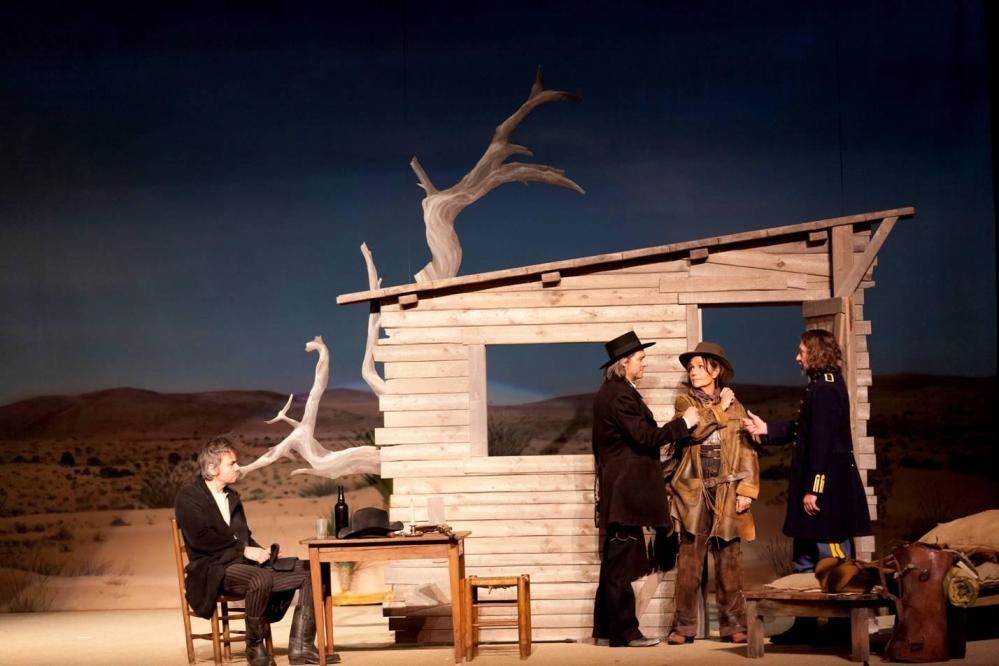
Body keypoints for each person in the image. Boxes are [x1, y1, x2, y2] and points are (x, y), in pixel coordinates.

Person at [742, 329, 873, 644]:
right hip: (813, 489)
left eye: (801, 351)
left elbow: (822, 444)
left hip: (827, 493)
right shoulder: (819, 386)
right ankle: (805, 625)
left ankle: (842, 628)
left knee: (834, 560)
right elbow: (804, 429)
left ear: (815, 353)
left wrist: (815, 489)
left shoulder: (826, 389)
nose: (797, 357)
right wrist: (767, 428)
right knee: (803, 559)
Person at [175, 436, 336, 666]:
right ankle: (254, 648)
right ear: (212, 468)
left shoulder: (231, 497)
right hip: (213, 569)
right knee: (260, 578)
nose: (237, 467)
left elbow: (243, 537)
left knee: (311, 570)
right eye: (231, 463)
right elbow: (202, 540)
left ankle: (301, 647)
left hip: (240, 563)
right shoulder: (190, 497)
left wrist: (263, 552)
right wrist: (244, 551)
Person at [591, 331, 700, 648]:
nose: (644, 363)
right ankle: (625, 633)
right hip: (626, 494)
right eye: (640, 358)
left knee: (614, 564)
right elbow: (645, 438)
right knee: (620, 566)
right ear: (624, 362)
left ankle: (606, 630)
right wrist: (684, 423)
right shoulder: (619, 395)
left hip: (622, 491)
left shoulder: (616, 393)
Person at [666, 342, 759, 645]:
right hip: (693, 489)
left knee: (729, 559)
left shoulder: (737, 406)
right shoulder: (685, 402)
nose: (693, 372)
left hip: (726, 489)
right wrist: (720, 408)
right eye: (690, 367)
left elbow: (746, 449)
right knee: (689, 560)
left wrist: (746, 491)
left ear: (716, 370)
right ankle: (683, 627)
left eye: (700, 367)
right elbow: (693, 431)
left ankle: (733, 625)